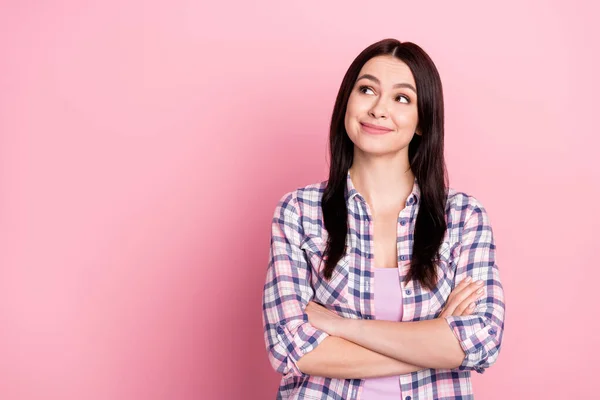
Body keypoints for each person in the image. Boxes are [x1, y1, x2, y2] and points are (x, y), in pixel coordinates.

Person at [261, 38, 506, 400]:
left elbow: (482, 340)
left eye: (401, 98)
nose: (378, 109)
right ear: (347, 101)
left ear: (423, 120)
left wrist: (342, 327)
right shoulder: (299, 211)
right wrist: (436, 340)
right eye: (366, 90)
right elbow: (291, 347)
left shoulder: (463, 218)